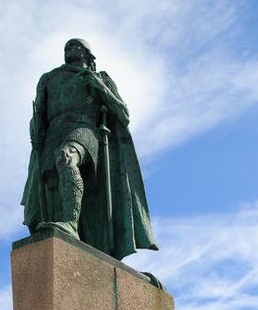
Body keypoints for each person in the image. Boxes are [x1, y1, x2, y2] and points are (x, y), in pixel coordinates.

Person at [21, 38, 159, 261]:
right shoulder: (49, 79)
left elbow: (123, 114)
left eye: (74, 46)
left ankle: (71, 224)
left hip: (84, 129)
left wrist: (101, 89)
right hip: (54, 132)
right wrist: (34, 129)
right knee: (53, 189)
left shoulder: (99, 78)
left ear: (87, 54)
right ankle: (70, 230)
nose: (68, 50)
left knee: (66, 157)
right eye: (66, 47)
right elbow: (38, 115)